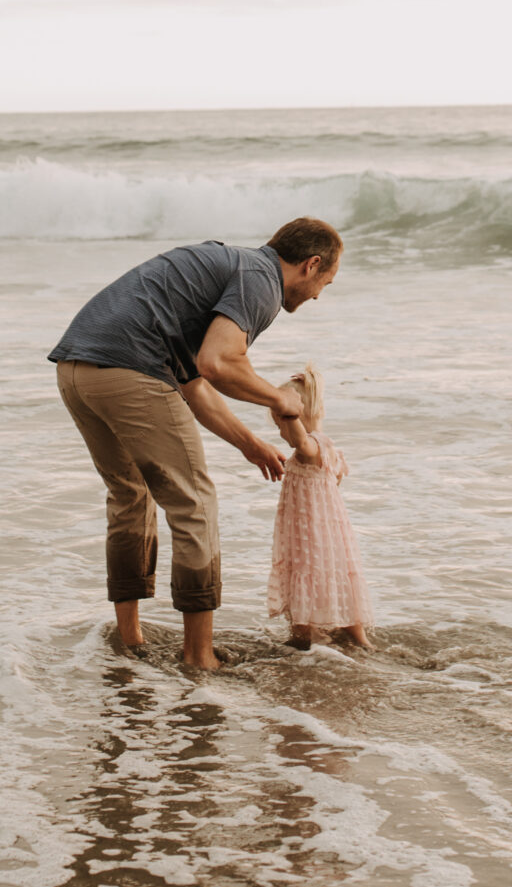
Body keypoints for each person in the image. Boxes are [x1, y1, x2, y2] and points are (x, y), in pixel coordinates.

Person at [49, 216, 343, 671]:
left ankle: (130, 640)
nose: (320, 294)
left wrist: (249, 444)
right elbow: (219, 361)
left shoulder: (228, 268)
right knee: (195, 504)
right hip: (129, 368)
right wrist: (279, 397)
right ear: (311, 264)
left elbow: (194, 382)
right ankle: (199, 655)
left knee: (130, 496)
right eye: (326, 281)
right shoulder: (261, 280)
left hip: (77, 368)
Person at [268, 360, 373, 650]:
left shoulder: (310, 445)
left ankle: (302, 638)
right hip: (329, 531)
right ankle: (358, 637)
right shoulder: (328, 447)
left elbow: (300, 442)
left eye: (280, 425)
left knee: (307, 571)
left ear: (295, 418)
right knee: (335, 572)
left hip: (308, 532)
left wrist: (287, 410)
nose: (281, 433)